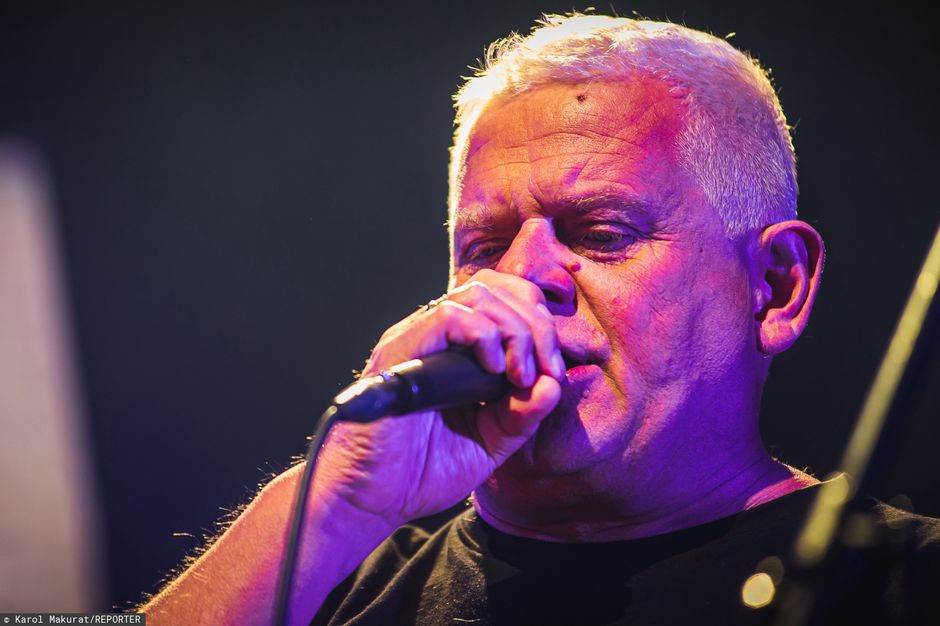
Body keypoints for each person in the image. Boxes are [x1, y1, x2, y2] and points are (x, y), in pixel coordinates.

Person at [143, 14, 939, 626]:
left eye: (602, 233)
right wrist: (334, 503)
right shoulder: (311, 582)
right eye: (484, 246)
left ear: (775, 286)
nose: (521, 276)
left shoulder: (910, 584)